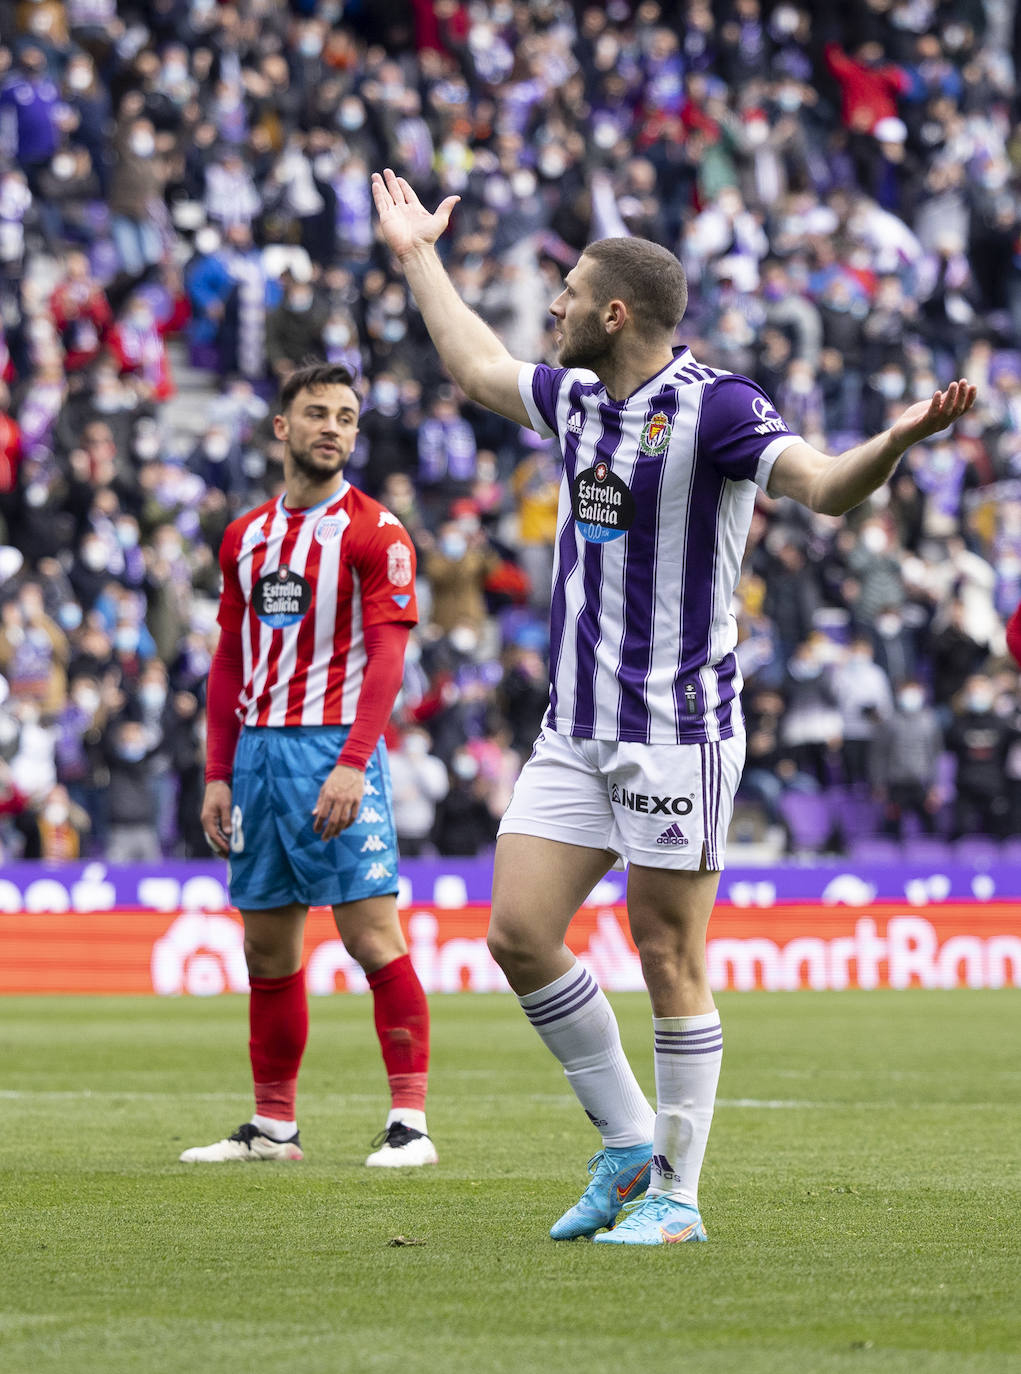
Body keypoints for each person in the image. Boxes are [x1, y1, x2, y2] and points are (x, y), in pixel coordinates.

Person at [371, 168, 977, 1245]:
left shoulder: (720, 407)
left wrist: (899, 440)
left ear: (616, 313)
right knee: (517, 933)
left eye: (565, 293)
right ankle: (622, 1143)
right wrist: (419, 255)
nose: (548, 307)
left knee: (665, 953)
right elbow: (469, 365)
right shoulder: (573, 398)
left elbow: (827, 487)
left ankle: (678, 1196)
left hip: (675, 730)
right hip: (577, 724)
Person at [182, 361, 436, 1169]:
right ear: (281, 428)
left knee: (370, 938)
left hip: (333, 746)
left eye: (348, 417)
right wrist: (218, 771)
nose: (334, 427)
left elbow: (389, 662)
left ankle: (409, 1124)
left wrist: (354, 762)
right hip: (257, 754)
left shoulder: (375, 532)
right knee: (267, 951)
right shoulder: (244, 536)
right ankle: (273, 1128)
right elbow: (229, 656)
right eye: (318, 413)